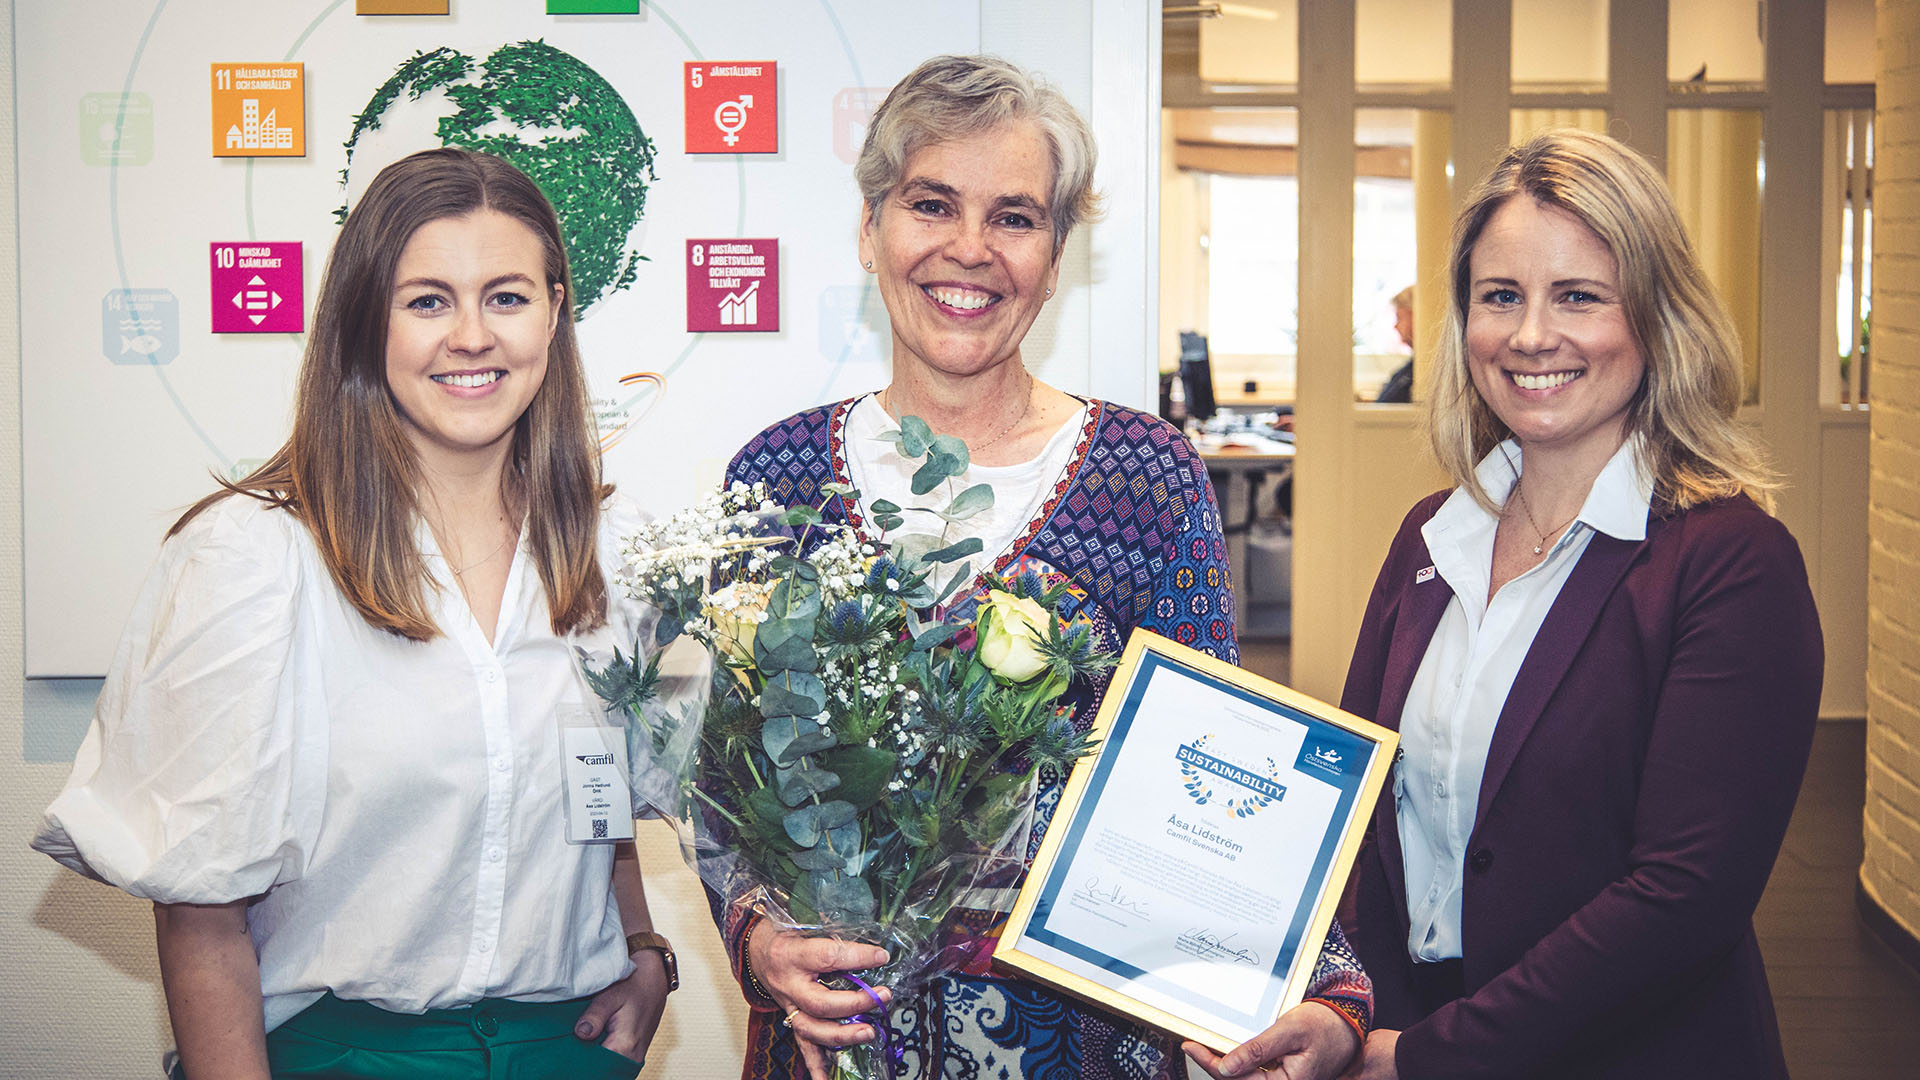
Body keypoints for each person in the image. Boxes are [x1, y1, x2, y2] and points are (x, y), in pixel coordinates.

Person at [717, 55, 1371, 1080]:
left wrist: (1329, 992)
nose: (970, 249)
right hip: (838, 1044)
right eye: (932, 204)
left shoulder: (1147, 476)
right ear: (871, 227)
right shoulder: (774, 477)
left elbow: (1213, 766)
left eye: (1015, 218)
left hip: (1078, 1046)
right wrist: (758, 937)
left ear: (1056, 256)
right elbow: (729, 784)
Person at [32, 148, 671, 1080]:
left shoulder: (613, 550)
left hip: (565, 1051)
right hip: (343, 1053)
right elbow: (200, 913)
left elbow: (594, 801)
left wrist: (645, 946)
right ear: (366, 320)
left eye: (506, 296)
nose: (472, 336)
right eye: (427, 301)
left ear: (554, 312)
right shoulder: (254, 559)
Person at [1338, 129, 1822, 1079]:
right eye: (1500, 296)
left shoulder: (1731, 563)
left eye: (1579, 296)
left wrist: (1432, 1056)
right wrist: (1343, 1011)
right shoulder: (1432, 535)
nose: (1530, 336)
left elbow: (1682, 898)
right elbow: (1354, 808)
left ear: (1657, 318)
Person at [1374, 286, 1416, 404]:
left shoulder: (1420, 371)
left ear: (1416, 316)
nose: (1396, 326)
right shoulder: (1409, 369)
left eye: (1399, 317)